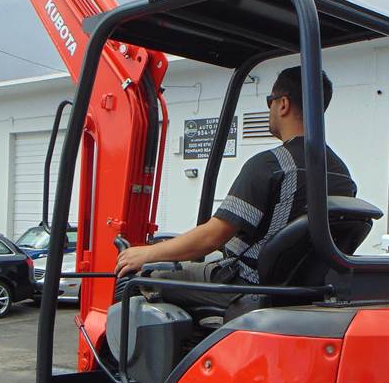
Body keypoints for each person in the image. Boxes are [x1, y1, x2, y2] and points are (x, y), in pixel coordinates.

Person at [114, 66, 356, 286]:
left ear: (283, 104)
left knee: (140, 282)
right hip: (305, 289)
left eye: (269, 101)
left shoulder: (271, 165)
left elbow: (212, 236)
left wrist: (145, 253)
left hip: (247, 284)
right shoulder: (343, 175)